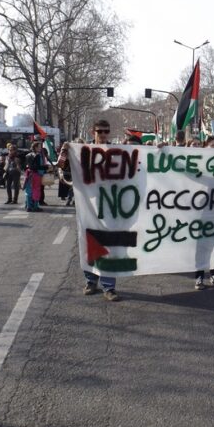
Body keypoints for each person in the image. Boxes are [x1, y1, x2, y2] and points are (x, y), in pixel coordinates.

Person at [82, 120, 120, 301]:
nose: (104, 134)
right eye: (100, 131)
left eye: (106, 131)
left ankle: (109, 287)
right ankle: (91, 281)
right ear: (93, 132)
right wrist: (65, 151)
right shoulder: (83, 151)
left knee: (109, 247)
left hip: (110, 207)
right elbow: (63, 168)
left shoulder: (117, 152)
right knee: (90, 244)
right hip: (89, 207)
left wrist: (160, 150)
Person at [23, 141, 48, 212]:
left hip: (29, 174)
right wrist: (46, 167)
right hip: (36, 174)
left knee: (28, 190)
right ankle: (35, 206)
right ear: (35, 147)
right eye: (39, 147)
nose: (40, 148)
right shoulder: (38, 155)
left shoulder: (28, 155)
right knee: (36, 190)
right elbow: (38, 166)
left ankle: (28, 206)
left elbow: (25, 166)